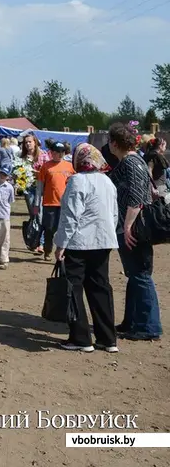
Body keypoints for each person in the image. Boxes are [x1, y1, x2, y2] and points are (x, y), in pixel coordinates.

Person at [53, 143, 118, 353]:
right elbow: (114, 214)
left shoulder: (76, 181)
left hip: (80, 243)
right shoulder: (108, 182)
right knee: (100, 288)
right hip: (103, 241)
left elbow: (70, 216)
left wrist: (61, 243)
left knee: (74, 289)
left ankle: (81, 338)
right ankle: (108, 339)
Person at [108, 122, 161, 341]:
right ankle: (132, 321)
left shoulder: (130, 162)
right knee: (135, 274)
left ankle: (149, 326)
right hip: (134, 226)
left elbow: (137, 197)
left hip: (134, 228)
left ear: (114, 143)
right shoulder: (136, 161)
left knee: (140, 275)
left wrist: (128, 226)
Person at [37, 141, 74, 260]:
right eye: (57, 152)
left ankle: (62, 252)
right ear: (51, 152)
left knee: (63, 230)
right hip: (49, 203)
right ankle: (47, 250)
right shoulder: (46, 166)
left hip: (65, 204)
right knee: (49, 229)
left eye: (62, 152)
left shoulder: (70, 166)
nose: (60, 154)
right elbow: (40, 186)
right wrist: (37, 203)